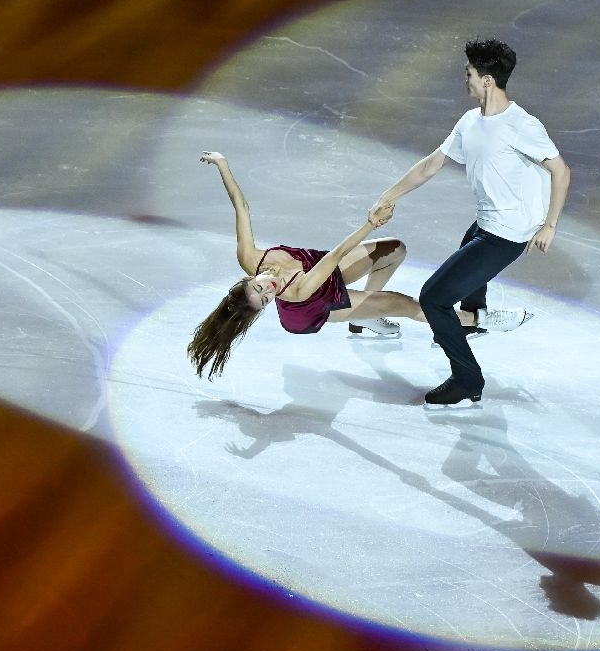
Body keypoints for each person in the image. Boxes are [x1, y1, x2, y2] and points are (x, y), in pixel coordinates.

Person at [187, 151, 527, 380]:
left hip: (319, 268)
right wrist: (370, 223)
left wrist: (222, 164)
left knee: (394, 250)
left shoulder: (250, 258)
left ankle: (363, 318)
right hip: (316, 305)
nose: (269, 289)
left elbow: (241, 207)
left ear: (248, 278)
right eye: (265, 299)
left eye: (259, 287)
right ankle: (479, 320)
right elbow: (335, 256)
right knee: (406, 305)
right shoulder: (295, 291)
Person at [373, 37, 571, 408]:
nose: (465, 79)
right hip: (486, 224)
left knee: (434, 298)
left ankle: (467, 380)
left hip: (507, 234)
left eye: (469, 73)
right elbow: (431, 164)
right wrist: (388, 196)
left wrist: (549, 226)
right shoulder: (470, 122)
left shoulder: (522, 126)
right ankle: (473, 318)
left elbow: (561, 171)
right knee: (468, 247)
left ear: (487, 81)